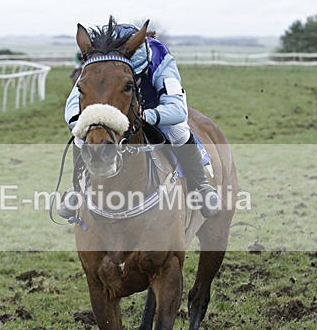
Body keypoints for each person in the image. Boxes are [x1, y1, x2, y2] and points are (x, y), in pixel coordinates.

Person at [59, 19, 221, 219]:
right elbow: (72, 110)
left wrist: (146, 116)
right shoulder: (97, 62)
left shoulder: (160, 59)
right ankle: (77, 189)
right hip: (113, 111)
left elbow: (178, 111)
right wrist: (89, 123)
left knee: (178, 131)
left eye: (135, 78)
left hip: (154, 107)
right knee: (80, 136)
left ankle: (201, 187)